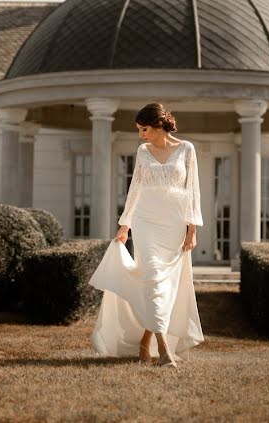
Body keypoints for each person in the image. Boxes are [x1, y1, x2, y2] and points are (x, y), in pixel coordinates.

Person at [88, 103, 204, 367]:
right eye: (139, 130)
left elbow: (193, 192)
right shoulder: (143, 151)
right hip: (146, 222)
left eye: (144, 129)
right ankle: (163, 351)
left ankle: (144, 342)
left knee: (165, 286)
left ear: (159, 126)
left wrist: (192, 229)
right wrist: (125, 224)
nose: (141, 135)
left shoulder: (187, 149)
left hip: (174, 224)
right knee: (152, 277)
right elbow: (135, 188)